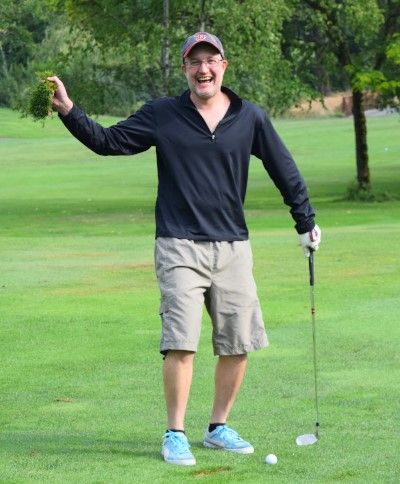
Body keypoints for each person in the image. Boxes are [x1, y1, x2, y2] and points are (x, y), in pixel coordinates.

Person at [49, 31, 321, 466]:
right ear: (184, 69)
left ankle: (218, 427)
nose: (203, 69)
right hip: (179, 245)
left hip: (233, 246)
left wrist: (305, 221)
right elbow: (108, 141)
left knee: (237, 343)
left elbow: (284, 168)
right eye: (195, 62)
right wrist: (69, 111)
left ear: (224, 66)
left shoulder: (249, 117)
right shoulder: (164, 114)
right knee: (181, 342)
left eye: (211, 60)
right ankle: (174, 433)